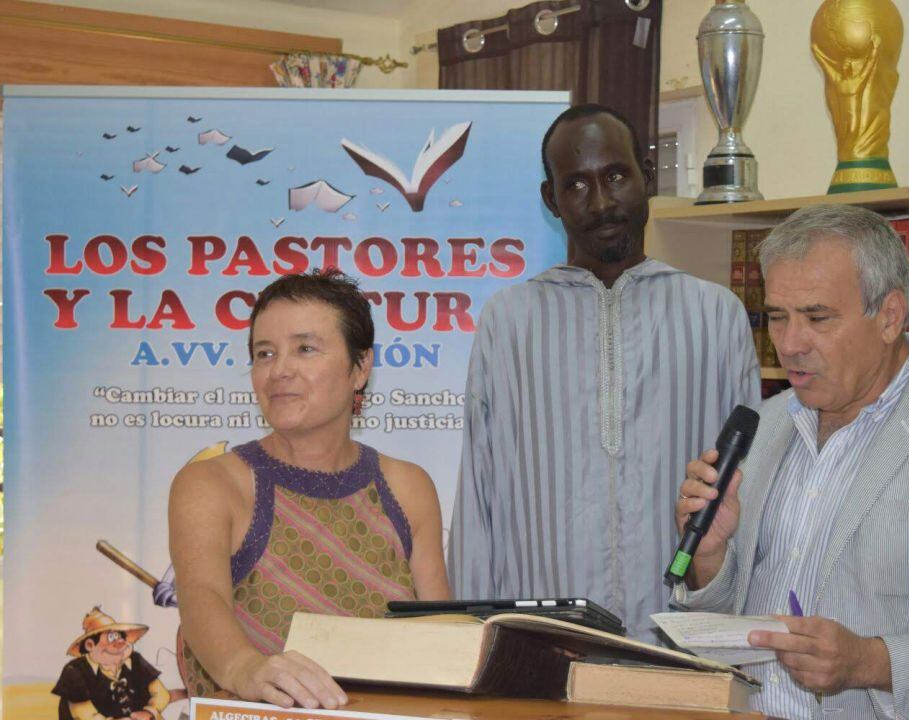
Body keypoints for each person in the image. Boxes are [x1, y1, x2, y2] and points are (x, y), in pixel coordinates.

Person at [673, 204, 909, 719]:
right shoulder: (761, 428)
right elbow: (731, 623)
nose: (789, 344)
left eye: (817, 317)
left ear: (890, 317)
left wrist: (873, 661)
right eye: (777, 317)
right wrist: (710, 560)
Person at [448, 104, 761, 641]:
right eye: (576, 185)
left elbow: (748, 491)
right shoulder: (510, 321)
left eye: (616, 176)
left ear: (646, 174)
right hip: (543, 643)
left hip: (682, 640)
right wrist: (476, 638)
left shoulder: (715, 314)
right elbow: (479, 496)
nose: (600, 202)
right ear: (551, 199)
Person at [170, 270, 450, 710]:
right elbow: (201, 599)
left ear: (360, 368)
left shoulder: (407, 486)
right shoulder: (211, 483)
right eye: (264, 353)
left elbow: (439, 634)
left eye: (305, 348)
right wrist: (245, 668)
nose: (279, 370)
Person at [53, 607, 172, 720]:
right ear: (90, 645)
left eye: (120, 635)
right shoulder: (75, 671)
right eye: (111, 637)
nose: (120, 642)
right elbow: (85, 715)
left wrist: (149, 712)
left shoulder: (135, 661)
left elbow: (161, 694)